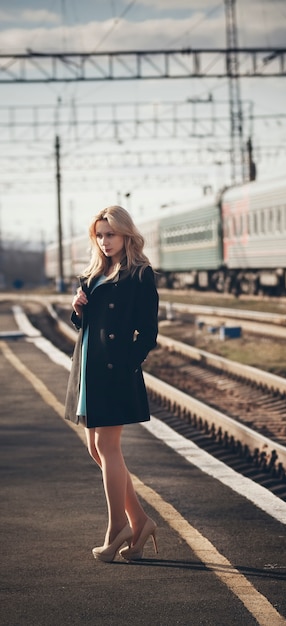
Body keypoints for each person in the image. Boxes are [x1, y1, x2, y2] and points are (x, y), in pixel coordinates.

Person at [64, 205, 159, 563]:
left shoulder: (139, 274)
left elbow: (148, 332)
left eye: (111, 235)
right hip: (87, 370)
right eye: (100, 235)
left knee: (107, 446)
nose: (105, 242)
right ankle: (140, 521)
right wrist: (77, 309)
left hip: (112, 371)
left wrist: (126, 367)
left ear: (126, 235)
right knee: (96, 448)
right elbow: (89, 326)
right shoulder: (93, 274)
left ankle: (117, 527)